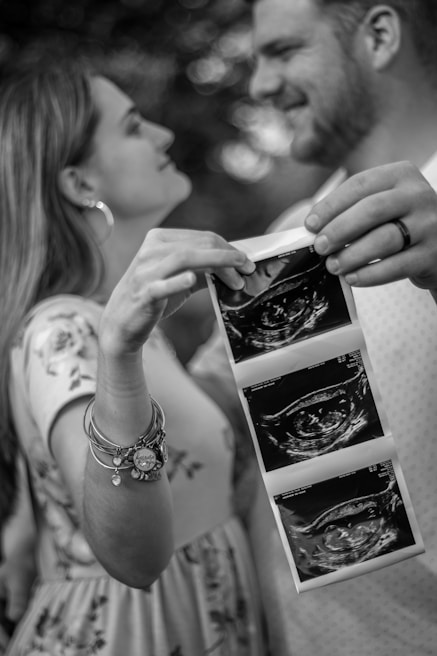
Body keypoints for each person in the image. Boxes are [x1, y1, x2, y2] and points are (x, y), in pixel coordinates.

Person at [188, 1, 437, 654]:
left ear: (378, 36)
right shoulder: (287, 231)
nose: (259, 85)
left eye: (283, 50)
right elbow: (209, 421)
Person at [0, 60, 268, 655]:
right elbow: (134, 559)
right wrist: (117, 353)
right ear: (81, 184)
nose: (163, 135)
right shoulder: (65, 330)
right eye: (132, 126)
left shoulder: (128, 323)